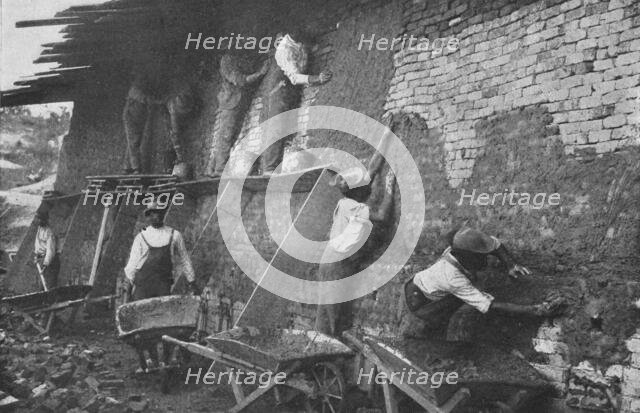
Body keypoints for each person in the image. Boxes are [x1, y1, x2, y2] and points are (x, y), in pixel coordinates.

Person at [404, 227, 562, 342]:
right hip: (422, 302)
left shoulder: (463, 246)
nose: (486, 260)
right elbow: (487, 305)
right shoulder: (452, 277)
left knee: (465, 297)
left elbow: (495, 245)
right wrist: (535, 310)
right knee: (438, 332)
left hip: (433, 286)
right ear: (464, 256)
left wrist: (511, 264)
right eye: (480, 257)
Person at [315, 132, 395, 337]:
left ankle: (325, 341)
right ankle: (330, 346)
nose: (370, 185)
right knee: (334, 312)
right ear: (362, 192)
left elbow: (373, 168)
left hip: (331, 260)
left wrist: (386, 135)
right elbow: (383, 217)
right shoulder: (354, 208)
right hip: (337, 265)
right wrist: (389, 190)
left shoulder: (348, 200)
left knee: (329, 308)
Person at [123, 200, 198, 372]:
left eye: (158, 212)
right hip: (143, 285)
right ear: (147, 217)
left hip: (162, 285)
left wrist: (192, 281)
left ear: (163, 214)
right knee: (143, 325)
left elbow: (185, 260)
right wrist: (129, 285)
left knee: (165, 324)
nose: (155, 215)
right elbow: (132, 264)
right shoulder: (141, 237)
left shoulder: (174, 235)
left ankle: (165, 359)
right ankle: (151, 359)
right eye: (152, 213)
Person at [259, 30, 332, 175]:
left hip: (289, 90)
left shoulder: (297, 44)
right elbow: (294, 77)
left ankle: (275, 167)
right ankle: (269, 169)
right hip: (278, 89)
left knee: (286, 129)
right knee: (277, 126)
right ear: (296, 40)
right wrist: (316, 78)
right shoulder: (283, 50)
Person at [123, 55, 196, 179]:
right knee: (133, 141)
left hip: (140, 117)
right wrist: (160, 102)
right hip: (131, 116)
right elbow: (147, 99)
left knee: (133, 142)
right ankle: (135, 169)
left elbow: (174, 130)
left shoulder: (178, 94)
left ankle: (127, 168)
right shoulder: (136, 90)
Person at [204, 53, 268, 177]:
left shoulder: (240, 58)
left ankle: (211, 169)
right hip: (230, 102)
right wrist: (260, 73)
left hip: (239, 102)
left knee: (231, 137)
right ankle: (220, 171)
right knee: (226, 137)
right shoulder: (227, 60)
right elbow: (239, 80)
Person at [33, 208, 60, 290]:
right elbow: (39, 244)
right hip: (41, 259)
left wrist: (45, 264)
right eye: (36, 218)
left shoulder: (49, 232)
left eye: (38, 218)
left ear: (43, 220)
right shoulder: (40, 229)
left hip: (50, 262)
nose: (36, 220)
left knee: (48, 286)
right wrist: (37, 256)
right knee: (40, 285)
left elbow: (50, 251)